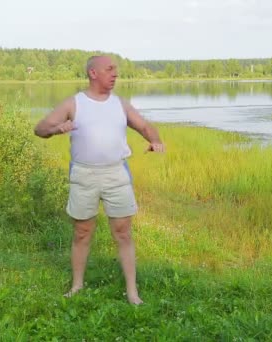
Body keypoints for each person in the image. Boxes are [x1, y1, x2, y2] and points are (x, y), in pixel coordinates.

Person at [34, 55, 165, 304]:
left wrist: (155, 140)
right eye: (110, 69)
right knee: (82, 232)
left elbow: (145, 127)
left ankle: (132, 292)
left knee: (123, 233)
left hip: (116, 174)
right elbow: (40, 129)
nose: (115, 74)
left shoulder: (120, 104)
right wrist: (56, 129)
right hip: (84, 175)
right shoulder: (74, 103)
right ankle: (77, 286)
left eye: (116, 70)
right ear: (93, 73)